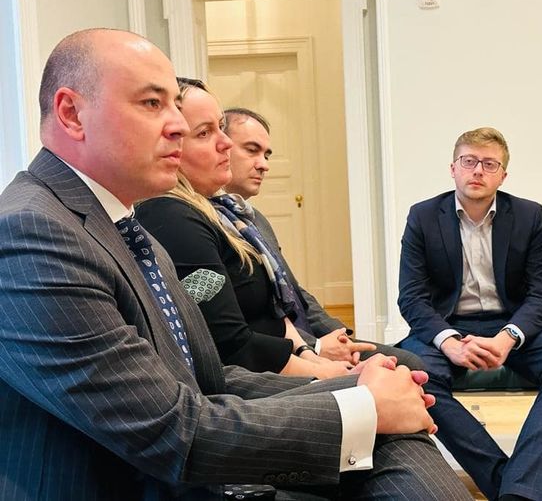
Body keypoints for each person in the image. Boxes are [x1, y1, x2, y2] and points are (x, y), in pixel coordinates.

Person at [0, 28, 473, 501]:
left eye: (175, 107)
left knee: (398, 421)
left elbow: (208, 379)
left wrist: (362, 392)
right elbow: (171, 434)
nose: (178, 127)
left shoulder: (122, 224)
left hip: (191, 465)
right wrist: (363, 407)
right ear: (71, 113)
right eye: (151, 104)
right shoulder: (32, 234)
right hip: (153, 481)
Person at [397, 127, 542, 501]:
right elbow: (413, 298)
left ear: (503, 175)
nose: (478, 171)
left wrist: (509, 337)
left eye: (489, 164)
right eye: (469, 161)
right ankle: (513, 485)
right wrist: (448, 342)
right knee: (415, 375)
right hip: (448, 325)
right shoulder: (422, 217)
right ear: (453, 168)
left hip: (513, 323)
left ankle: (519, 488)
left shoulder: (529, 216)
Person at [137, 80, 355, 380]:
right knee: (396, 394)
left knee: (400, 377)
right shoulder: (172, 218)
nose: (225, 142)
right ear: (173, 144)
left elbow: (280, 306)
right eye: (204, 133)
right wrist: (326, 371)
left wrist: (310, 353)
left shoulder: (230, 216)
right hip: (243, 380)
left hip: (282, 357)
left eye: (221, 128)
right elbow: (231, 345)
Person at [222, 107, 421, 369]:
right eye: (251, 150)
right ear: (222, 147)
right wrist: (314, 348)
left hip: (310, 341)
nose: (264, 164)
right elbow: (256, 320)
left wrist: (340, 336)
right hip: (283, 354)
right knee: (406, 368)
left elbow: (295, 294)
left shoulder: (255, 219)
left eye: (266, 154)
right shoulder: (210, 225)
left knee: (412, 363)